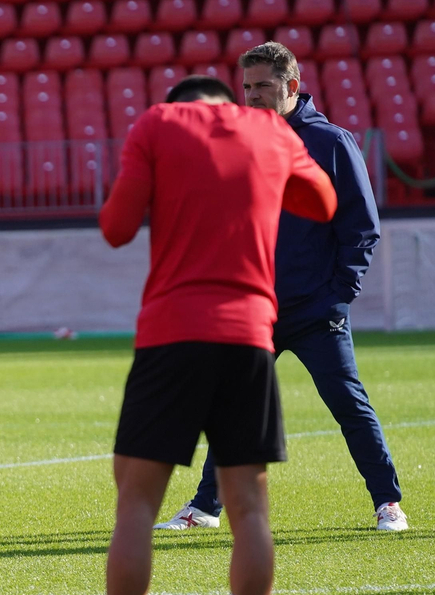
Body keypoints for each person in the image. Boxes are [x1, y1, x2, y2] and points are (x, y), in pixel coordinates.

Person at [78, 76, 337, 595]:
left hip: (171, 333)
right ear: (228, 100)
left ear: (178, 104)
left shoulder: (157, 126)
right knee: (248, 507)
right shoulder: (271, 130)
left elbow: (114, 227)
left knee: (136, 505)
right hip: (249, 334)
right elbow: (323, 203)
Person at [157, 42, 408, 533]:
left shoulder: (332, 142)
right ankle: (206, 508)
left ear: (291, 86)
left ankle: (388, 503)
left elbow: (361, 226)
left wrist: (340, 291)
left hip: (317, 308)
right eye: (247, 87)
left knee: (349, 406)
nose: (251, 96)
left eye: (263, 86)